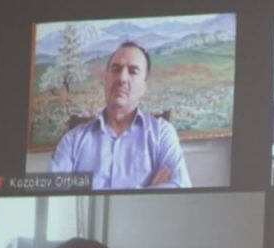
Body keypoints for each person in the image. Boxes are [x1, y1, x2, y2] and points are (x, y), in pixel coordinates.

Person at [49, 41, 192, 189]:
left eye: (133, 71)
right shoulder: (73, 140)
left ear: (144, 87)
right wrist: (147, 193)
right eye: (116, 69)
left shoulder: (161, 134)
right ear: (106, 80)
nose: (122, 78)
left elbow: (180, 186)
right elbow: (52, 194)